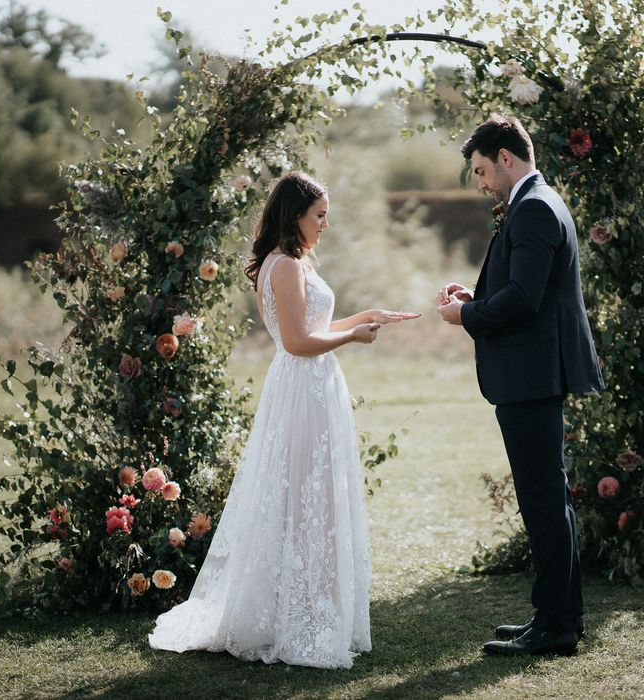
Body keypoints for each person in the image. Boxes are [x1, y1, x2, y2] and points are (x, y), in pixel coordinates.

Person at [149, 171, 420, 668]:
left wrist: (362, 317)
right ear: (294, 214)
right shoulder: (286, 267)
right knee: (301, 493)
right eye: (319, 216)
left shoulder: (288, 263)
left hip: (309, 387)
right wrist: (353, 339)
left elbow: (311, 329)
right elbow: (297, 343)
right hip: (302, 388)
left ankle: (302, 606)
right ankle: (290, 615)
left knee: (306, 492)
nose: (325, 225)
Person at [437, 114, 603, 657]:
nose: (482, 183)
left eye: (483, 170)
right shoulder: (540, 201)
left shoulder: (531, 207)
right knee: (549, 497)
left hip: (530, 377)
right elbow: (521, 288)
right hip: (533, 373)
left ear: (505, 158)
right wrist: (475, 299)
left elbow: (523, 301)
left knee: (541, 500)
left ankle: (555, 627)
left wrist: (467, 317)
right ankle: (560, 617)